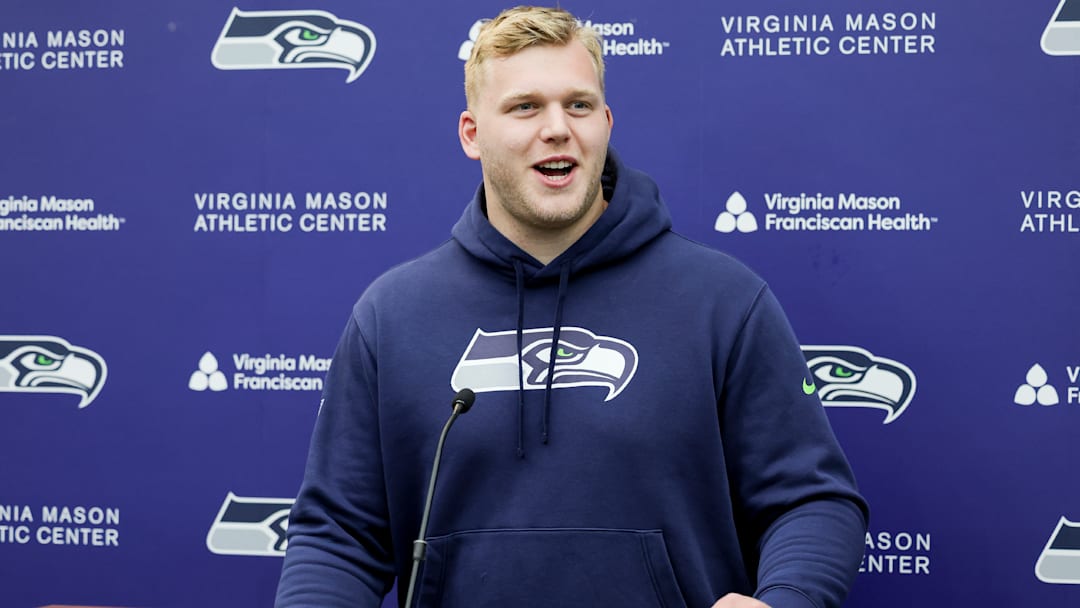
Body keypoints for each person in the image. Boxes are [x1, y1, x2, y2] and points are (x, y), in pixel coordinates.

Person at [275, 6, 868, 608]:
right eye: (525, 107)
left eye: (578, 105)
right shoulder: (392, 317)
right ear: (472, 134)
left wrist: (785, 599)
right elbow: (338, 537)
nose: (557, 128)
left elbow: (810, 500)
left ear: (605, 123)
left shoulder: (723, 301)